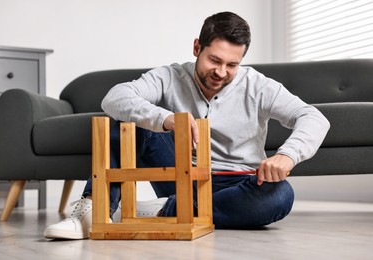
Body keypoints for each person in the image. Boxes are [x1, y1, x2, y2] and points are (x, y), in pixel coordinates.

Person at [44, 11, 330, 240]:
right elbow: (115, 98)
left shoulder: (259, 86)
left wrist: (287, 154)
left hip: (237, 182)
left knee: (280, 196)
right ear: (197, 47)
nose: (221, 72)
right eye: (214, 60)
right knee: (127, 121)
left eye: (232, 65)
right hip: (180, 172)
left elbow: (313, 117)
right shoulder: (170, 76)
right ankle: (93, 212)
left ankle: (167, 210)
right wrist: (164, 119)